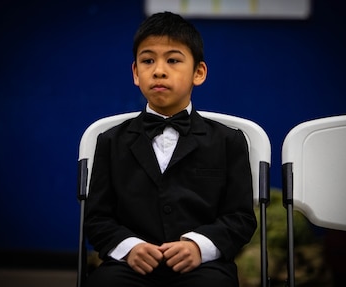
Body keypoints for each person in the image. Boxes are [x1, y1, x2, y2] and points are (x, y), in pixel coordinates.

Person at [84, 11, 257, 287]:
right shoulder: (110, 141)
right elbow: (96, 219)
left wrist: (199, 246)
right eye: (148, 60)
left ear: (198, 72)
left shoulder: (229, 141)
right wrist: (129, 247)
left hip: (203, 268)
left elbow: (240, 218)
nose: (159, 70)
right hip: (130, 267)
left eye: (173, 60)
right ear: (135, 73)